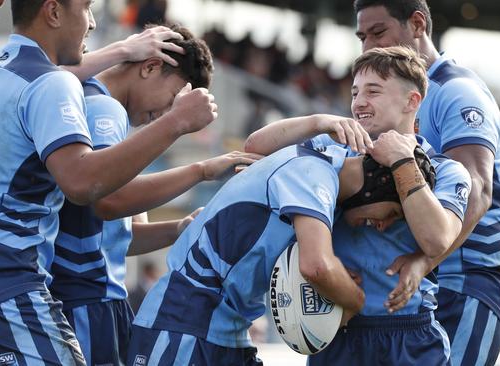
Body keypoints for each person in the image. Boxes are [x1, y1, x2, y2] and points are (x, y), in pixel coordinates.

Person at [0, 1, 215, 363]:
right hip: (21, 281)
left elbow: (121, 231)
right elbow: (89, 187)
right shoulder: (63, 89)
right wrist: (185, 139)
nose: (93, 22)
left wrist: (179, 227)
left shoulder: (10, 70)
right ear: (53, 12)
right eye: (86, 7)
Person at [48, 23, 260, 366]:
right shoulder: (104, 108)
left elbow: (118, 237)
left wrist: (178, 228)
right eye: (173, 98)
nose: (165, 113)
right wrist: (200, 168)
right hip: (83, 300)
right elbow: (108, 202)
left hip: (95, 300)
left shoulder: (108, 113)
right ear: (150, 67)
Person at [246, 46, 471, 365]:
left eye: (373, 91)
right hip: (337, 332)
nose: (359, 102)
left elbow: (436, 239)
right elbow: (255, 147)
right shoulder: (333, 149)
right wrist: (320, 120)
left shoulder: (447, 169)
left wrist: (401, 161)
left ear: (412, 101)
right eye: (355, 92)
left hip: (409, 335)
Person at [125, 138, 436, 365]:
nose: (384, 226)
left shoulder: (322, 175)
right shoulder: (315, 173)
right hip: (183, 325)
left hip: (226, 331)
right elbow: (316, 266)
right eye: (393, 213)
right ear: (380, 182)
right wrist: (353, 302)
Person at [353, 1, 500, 364]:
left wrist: (423, 262)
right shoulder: (382, 96)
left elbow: (477, 190)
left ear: (417, 23)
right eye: (362, 37)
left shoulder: (456, 93)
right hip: (416, 280)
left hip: (465, 279)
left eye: (378, 33)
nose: (369, 47)